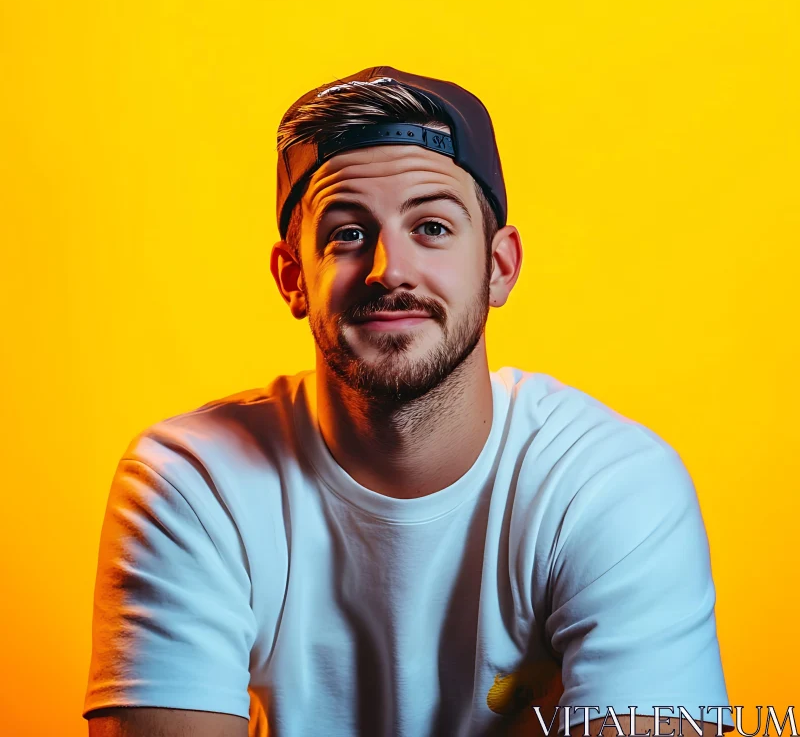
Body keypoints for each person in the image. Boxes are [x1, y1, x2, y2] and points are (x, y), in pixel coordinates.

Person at [83, 67, 732, 737]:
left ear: (500, 266)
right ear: (292, 278)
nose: (389, 268)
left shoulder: (610, 486)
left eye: (431, 227)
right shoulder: (194, 482)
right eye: (347, 234)